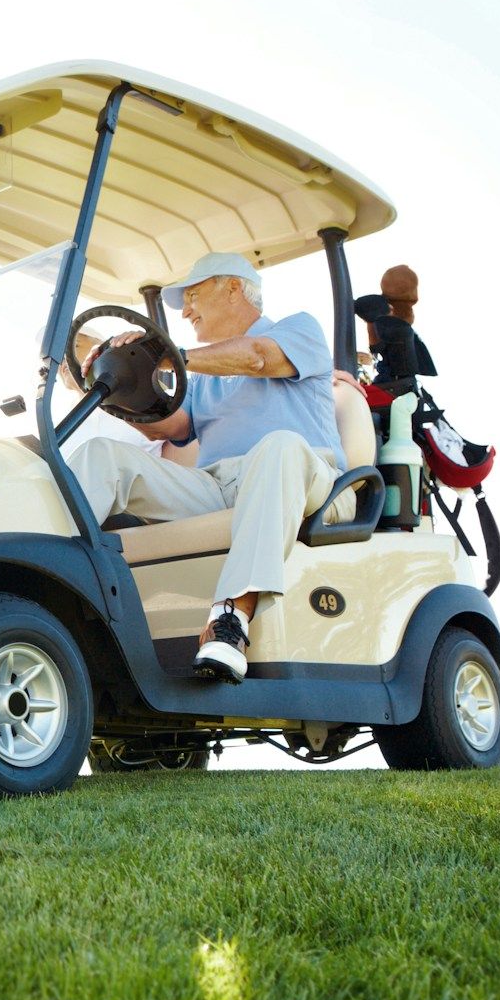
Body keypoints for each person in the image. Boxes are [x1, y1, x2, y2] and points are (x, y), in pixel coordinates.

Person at [68, 252, 352, 683]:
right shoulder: (201, 375)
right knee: (101, 455)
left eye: (194, 295)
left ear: (234, 288)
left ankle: (230, 619)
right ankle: (44, 589)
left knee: (277, 447)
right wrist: (114, 390)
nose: (185, 310)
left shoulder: (297, 329)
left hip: (311, 479)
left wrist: (169, 355)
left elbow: (257, 357)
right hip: (220, 488)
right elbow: (176, 428)